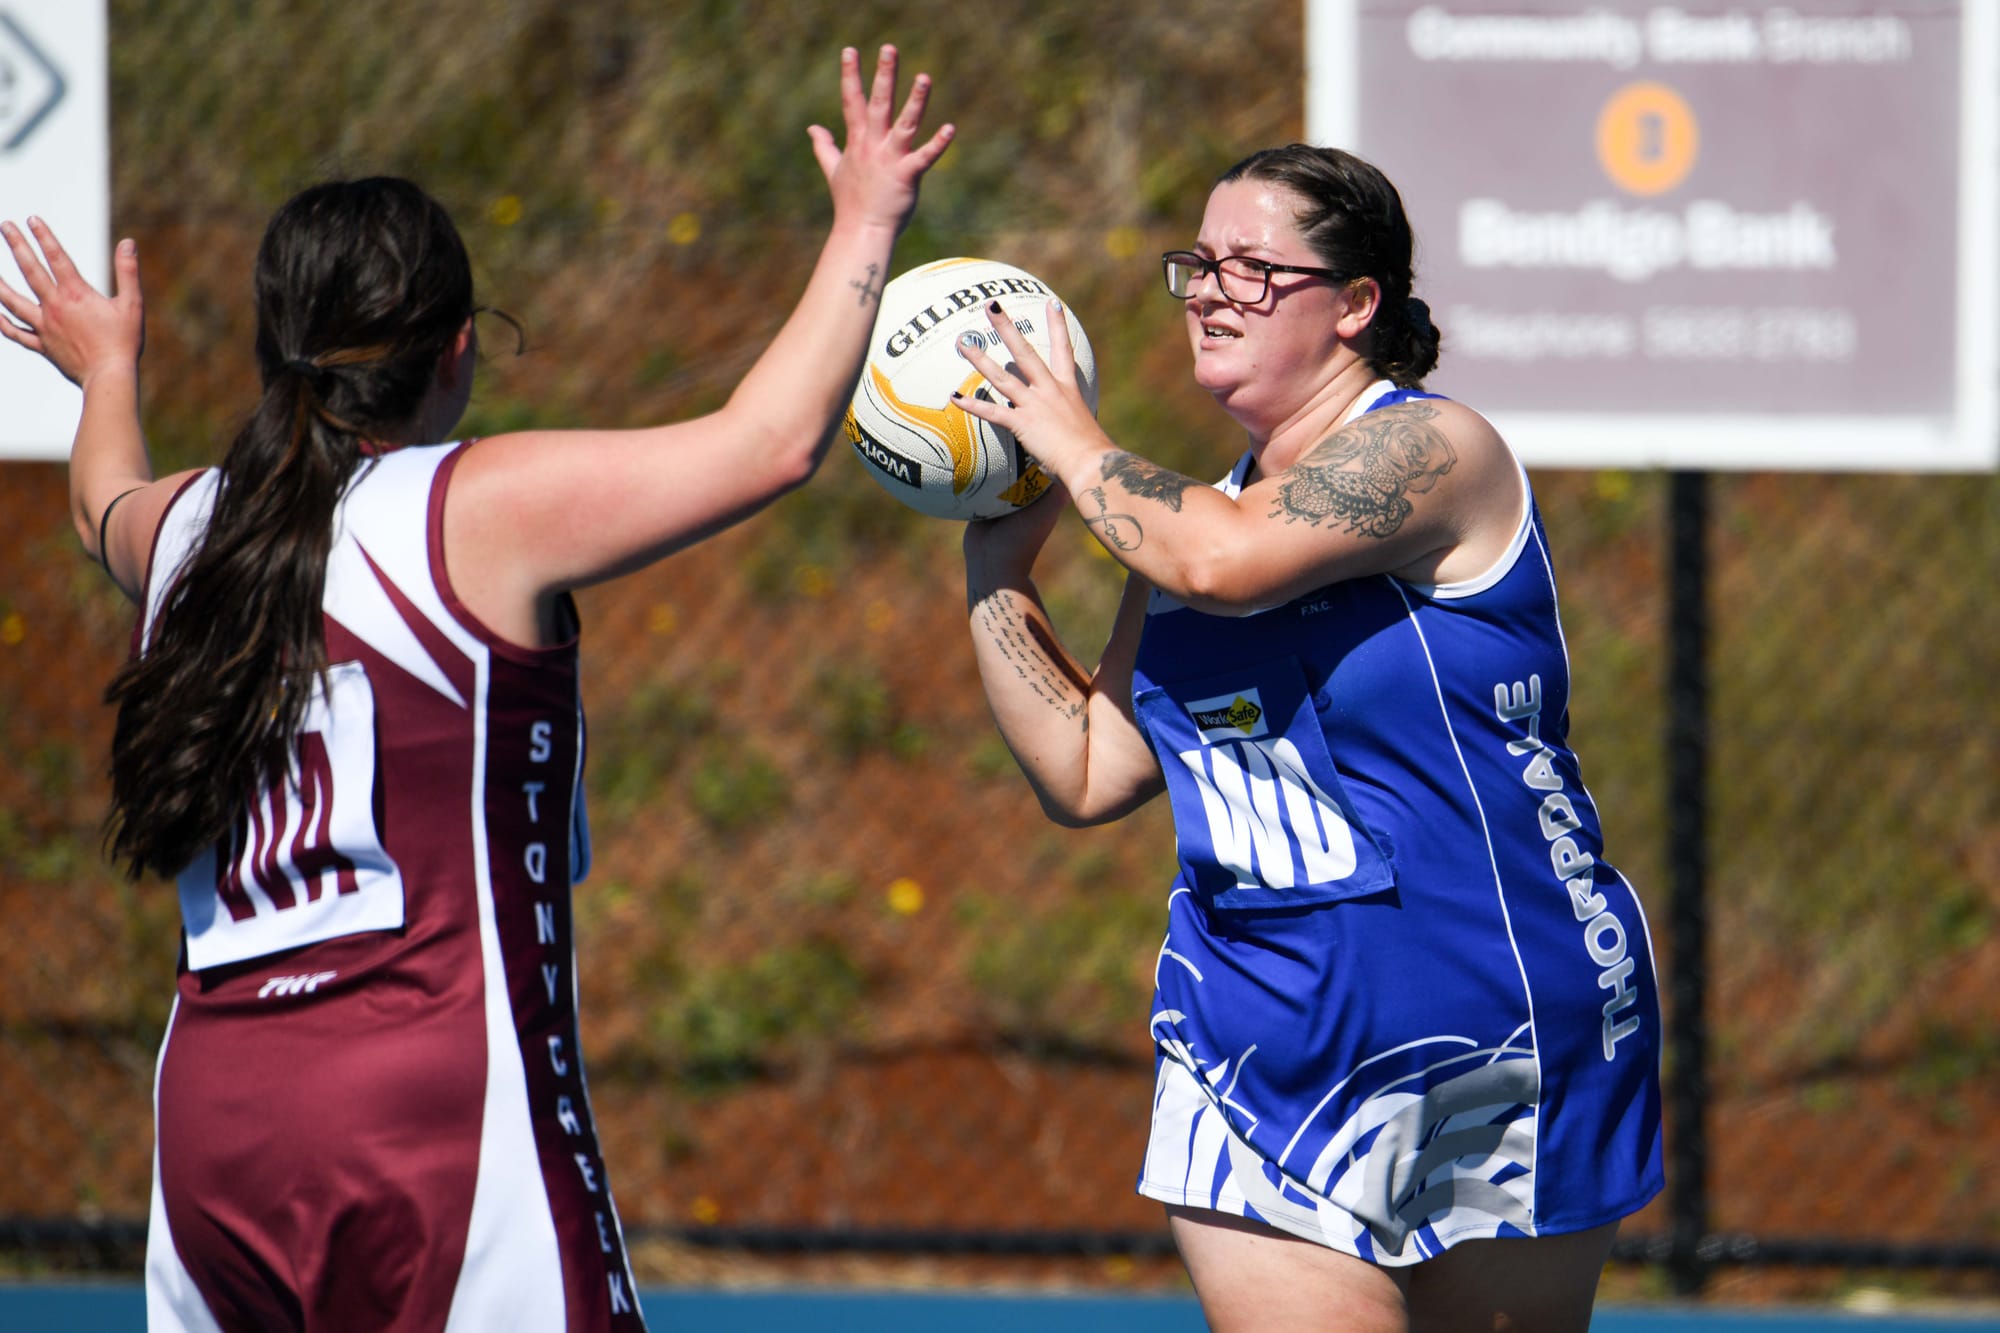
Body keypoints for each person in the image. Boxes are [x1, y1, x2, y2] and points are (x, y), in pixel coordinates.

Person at [0, 46, 951, 1333]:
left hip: (213, 1129)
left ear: (282, 357)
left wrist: (106, 366)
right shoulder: (472, 511)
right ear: (454, 352)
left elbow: (96, 495)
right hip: (428, 1115)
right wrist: (863, 224)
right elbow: (767, 443)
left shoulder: (184, 532)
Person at [948, 144, 1663, 1331]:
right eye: (1198, 265)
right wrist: (992, 565)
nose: (1211, 290)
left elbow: (1226, 565)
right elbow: (1086, 767)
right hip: (1254, 1033)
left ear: (1355, 305)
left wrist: (1072, 440)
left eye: (1254, 267)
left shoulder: (1432, 450)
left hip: (1494, 1023)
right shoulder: (1189, 522)